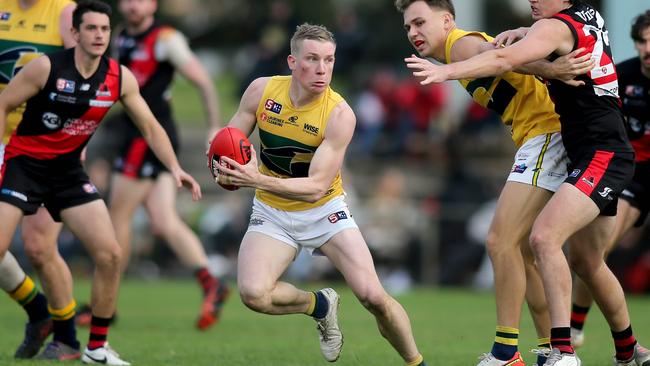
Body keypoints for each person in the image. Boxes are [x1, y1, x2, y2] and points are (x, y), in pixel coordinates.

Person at [403, 1, 650, 365]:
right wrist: (548, 64)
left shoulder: (460, 46)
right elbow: (514, 56)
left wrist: (446, 73)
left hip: (552, 136)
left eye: (420, 22)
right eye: (408, 26)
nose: (413, 33)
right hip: (572, 141)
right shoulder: (565, 22)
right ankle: (615, 349)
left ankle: (513, 353)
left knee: (506, 241)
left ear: (447, 20)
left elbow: (502, 60)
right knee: (563, 257)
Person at [0, 0, 201, 364]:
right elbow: (3, 104)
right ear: (74, 33)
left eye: (105, 30)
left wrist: (174, 168)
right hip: (24, 166)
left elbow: (150, 125)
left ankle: (95, 348)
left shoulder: (119, 77)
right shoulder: (45, 68)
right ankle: (43, 314)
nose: (98, 36)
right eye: (91, 29)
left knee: (110, 255)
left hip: (67, 172)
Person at [214, 23, 427, 366]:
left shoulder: (339, 114)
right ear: (292, 62)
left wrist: (255, 179)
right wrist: (225, 167)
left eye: (329, 60)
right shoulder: (261, 91)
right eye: (312, 59)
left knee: (373, 296)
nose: (322, 68)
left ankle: (418, 363)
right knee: (253, 294)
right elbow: (228, 141)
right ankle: (320, 306)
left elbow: (314, 189)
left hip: (325, 212)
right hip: (271, 212)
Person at [100, 0, 227, 330]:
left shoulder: (166, 38)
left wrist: (214, 127)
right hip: (135, 134)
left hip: (148, 137)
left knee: (119, 217)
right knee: (164, 220)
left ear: (153, 4)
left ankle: (106, 305)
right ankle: (212, 283)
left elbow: (204, 82)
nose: (132, 5)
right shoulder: (120, 36)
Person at [0, 0, 83, 360]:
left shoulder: (64, 12)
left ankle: (65, 336)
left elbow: (84, 78)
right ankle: (37, 311)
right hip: (2, 141)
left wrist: (75, 140)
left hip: (44, 147)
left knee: (38, 246)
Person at [570, 9, 650, 349]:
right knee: (594, 253)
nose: (648, 48)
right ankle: (574, 326)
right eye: (642, 41)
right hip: (633, 175)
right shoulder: (624, 76)